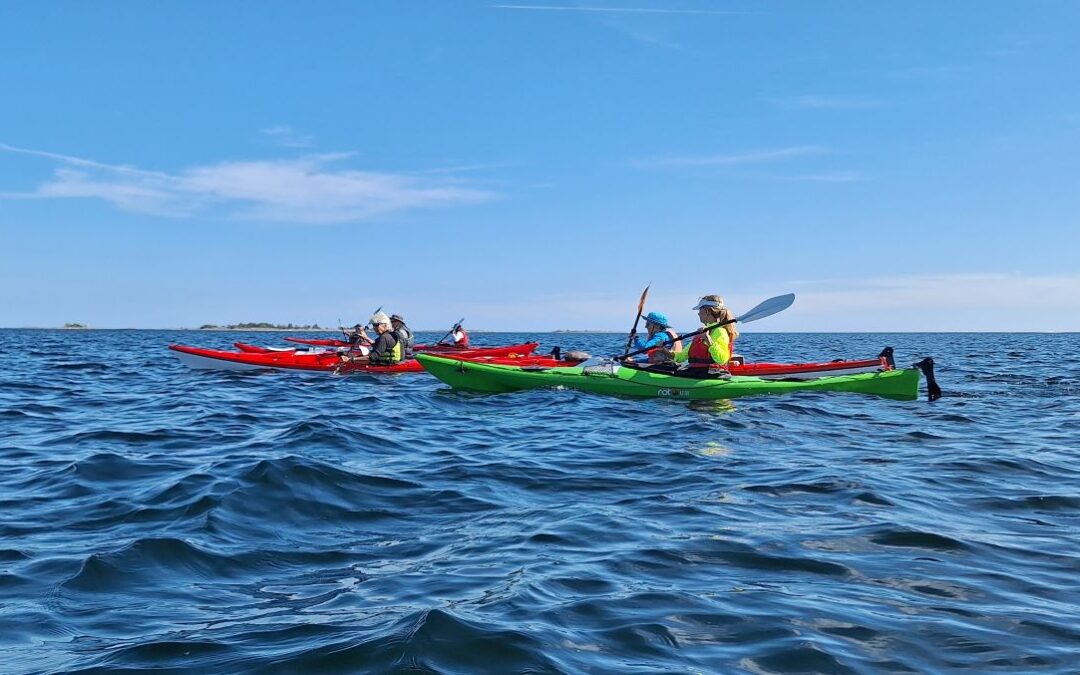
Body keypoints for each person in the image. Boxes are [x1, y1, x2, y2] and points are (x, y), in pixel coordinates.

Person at [663, 294, 739, 372]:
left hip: (711, 374)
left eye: (700, 310)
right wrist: (662, 350)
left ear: (707, 311)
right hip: (696, 373)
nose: (698, 313)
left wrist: (708, 340)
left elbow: (722, 360)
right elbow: (680, 357)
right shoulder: (703, 332)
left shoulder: (719, 331)